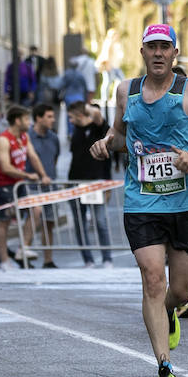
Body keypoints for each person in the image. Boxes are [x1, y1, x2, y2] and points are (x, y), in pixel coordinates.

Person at [90, 24, 188, 377]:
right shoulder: (126, 92)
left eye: (165, 47)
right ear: (143, 52)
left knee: (180, 291)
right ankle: (165, 369)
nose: (158, 53)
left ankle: (170, 310)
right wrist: (105, 144)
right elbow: (120, 137)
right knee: (153, 278)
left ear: (174, 54)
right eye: (152, 47)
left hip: (185, 201)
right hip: (141, 200)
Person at [0, 105, 47, 270]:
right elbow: (5, 167)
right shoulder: (3, 139)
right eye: (26, 119)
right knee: (4, 222)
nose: (29, 123)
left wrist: (43, 175)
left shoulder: (24, 137)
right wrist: (28, 176)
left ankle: (23, 248)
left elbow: (33, 156)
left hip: (18, 184)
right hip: (4, 186)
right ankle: (4, 261)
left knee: (36, 210)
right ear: (17, 120)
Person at [67, 101, 115, 268]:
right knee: (80, 223)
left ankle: (107, 258)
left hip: (96, 183)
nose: (70, 121)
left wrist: (83, 107)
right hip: (75, 182)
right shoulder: (76, 131)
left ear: (80, 115)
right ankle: (88, 259)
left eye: (72, 117)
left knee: (100, 221)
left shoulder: (98, 128)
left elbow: (97, 115)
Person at [27, 103, 61, 268]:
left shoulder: (53, 137)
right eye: (49, 116)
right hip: (31, 186)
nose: (53, 120)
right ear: (38, 118)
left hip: (51, 186)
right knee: (35, 215)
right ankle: (24, 251)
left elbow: (55, 158)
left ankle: (48, 259)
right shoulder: (27, 137)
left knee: (49, 222)